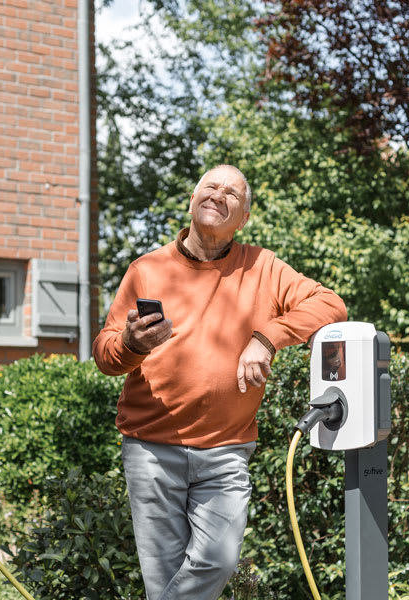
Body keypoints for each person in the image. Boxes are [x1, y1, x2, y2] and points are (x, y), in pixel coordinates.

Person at [93, 164, 347, 600]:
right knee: (164, 578)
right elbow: (105, 354)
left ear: (242, 217)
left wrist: (267, 337)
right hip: (151, 449)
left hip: (226, 452)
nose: (218, 194)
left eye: (232, 192)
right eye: (210, 186)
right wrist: (132, 344)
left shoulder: (262, 266)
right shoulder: (147, 269)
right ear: (192, 201)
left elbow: (331, 304)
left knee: (219, 559)